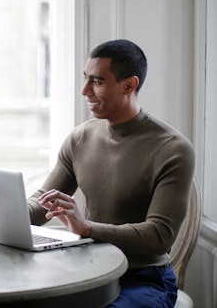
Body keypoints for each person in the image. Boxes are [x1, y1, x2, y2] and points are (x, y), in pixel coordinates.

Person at [27, 39, 194, 307]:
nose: (84, 90)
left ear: (129, 85)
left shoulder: (173, 149)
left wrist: (87, 228)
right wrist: (3, 216)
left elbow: (159, 236)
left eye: (97, 82)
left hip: (143, 278)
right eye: (86, 79)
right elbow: (43, 199)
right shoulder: (80, 138)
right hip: (90, 269)